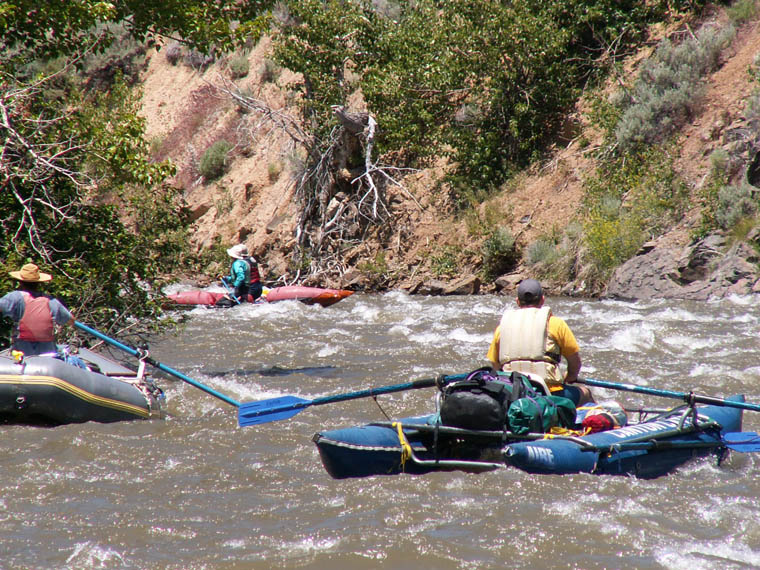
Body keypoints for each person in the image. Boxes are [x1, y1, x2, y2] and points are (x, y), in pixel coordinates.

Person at [486, 278, 594, 406]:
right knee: (585, 392)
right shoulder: (556, 324)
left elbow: (495, 364)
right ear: (542, 300)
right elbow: (574, 361)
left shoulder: (501, 328)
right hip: (549, 394)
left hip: (514, 394)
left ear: (517, 302)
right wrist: (571, 376)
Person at [0, 263, 74, 357]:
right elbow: (70, 320)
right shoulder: (51, 301)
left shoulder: (15, 297)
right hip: (47, 352)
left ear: (20, 282)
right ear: (39, 283)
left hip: (22, 351)